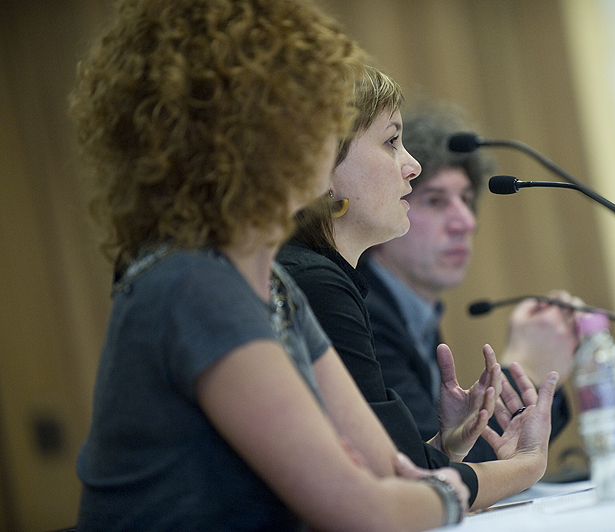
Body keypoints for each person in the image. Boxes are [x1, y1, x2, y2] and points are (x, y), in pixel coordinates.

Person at [69, 1, 489, 530]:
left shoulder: (274, 284)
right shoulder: (192, 285)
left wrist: (427, 483)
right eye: (316, 109)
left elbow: (390, 475)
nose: (331, 128)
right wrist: (451, 490)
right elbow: (368, 510)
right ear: (251, 134)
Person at [278, 66, 561, 511]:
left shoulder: (324, 276)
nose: (412, 166)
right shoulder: (316, 284)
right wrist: (525, 464)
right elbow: (404, 486)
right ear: (322, 166)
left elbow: (395, 464)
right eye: (391, 142)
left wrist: (444, 448)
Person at [360, 100, 582, 462]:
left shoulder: (415, 312)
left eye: (465, 199)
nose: (466, 222)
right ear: (386, 205)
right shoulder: (365, 313)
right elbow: (433, 467)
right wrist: (526, 373)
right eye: (436, 201)